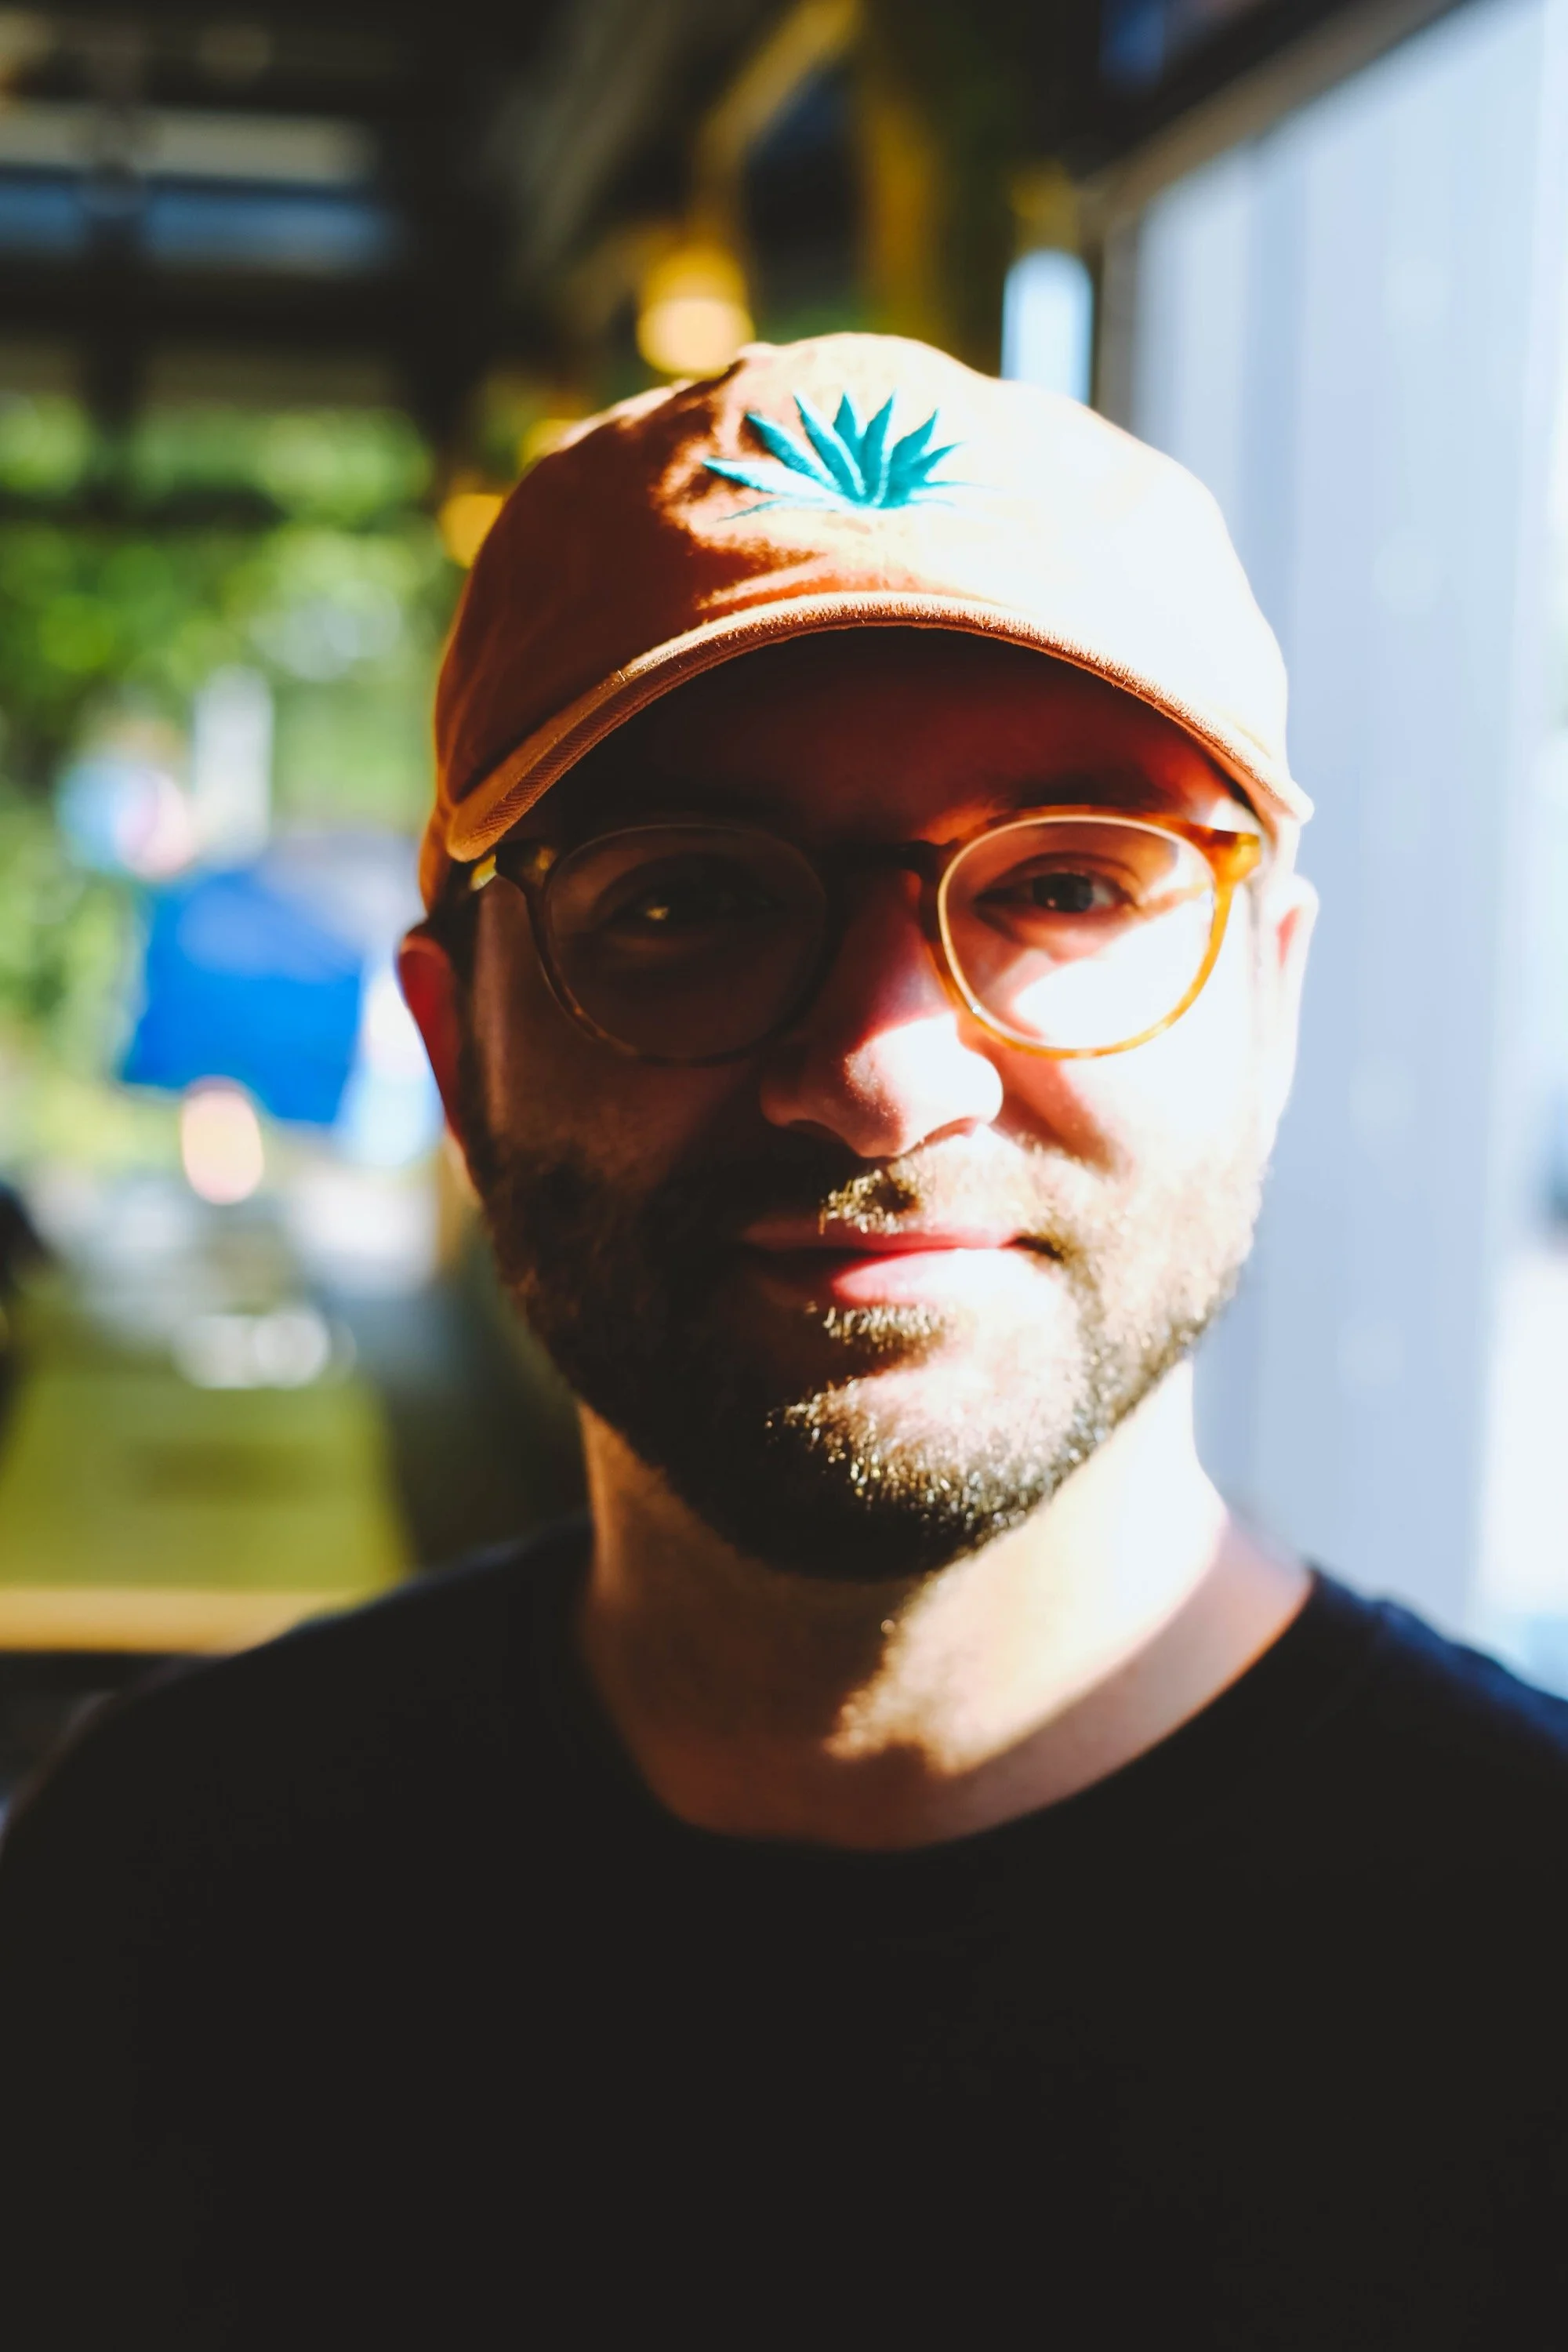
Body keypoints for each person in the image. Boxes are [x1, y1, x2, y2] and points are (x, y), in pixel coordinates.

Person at [2, 335, 1566, 2347]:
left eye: (1068, 884)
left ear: (1264, 1013)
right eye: (684, 904)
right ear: (452, 1051)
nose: (879, 1073)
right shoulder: (155, 1903)